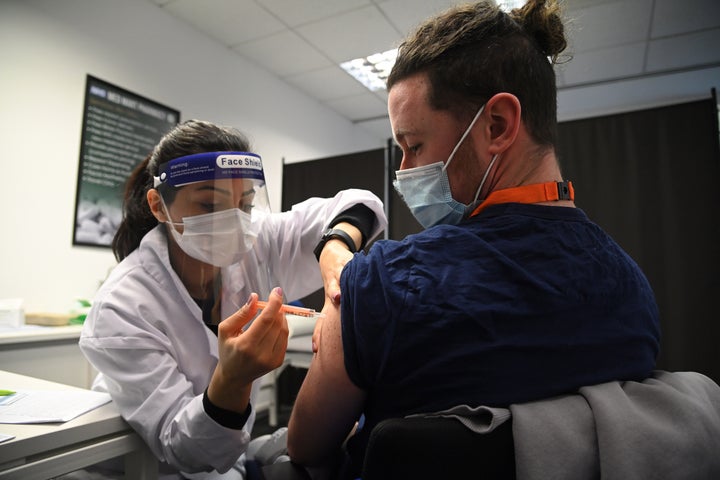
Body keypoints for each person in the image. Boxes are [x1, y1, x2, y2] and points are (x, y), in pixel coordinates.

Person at [286, 1, 661, 478]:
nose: (404, 171)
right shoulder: (632, 292)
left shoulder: (379, 285)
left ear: (497, 126)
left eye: (414, 145)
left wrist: (348, 315)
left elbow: (305, 448)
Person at [78, 119, 386, 479]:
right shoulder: (123, 306)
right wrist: (232, 380)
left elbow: (360, 203)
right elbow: (184, 449)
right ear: (159, 207)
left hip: (225, 457)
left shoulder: (257, 239)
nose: (236, 222)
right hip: (146, 470)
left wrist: (336, 244)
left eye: (245, 203)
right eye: (210, 204)